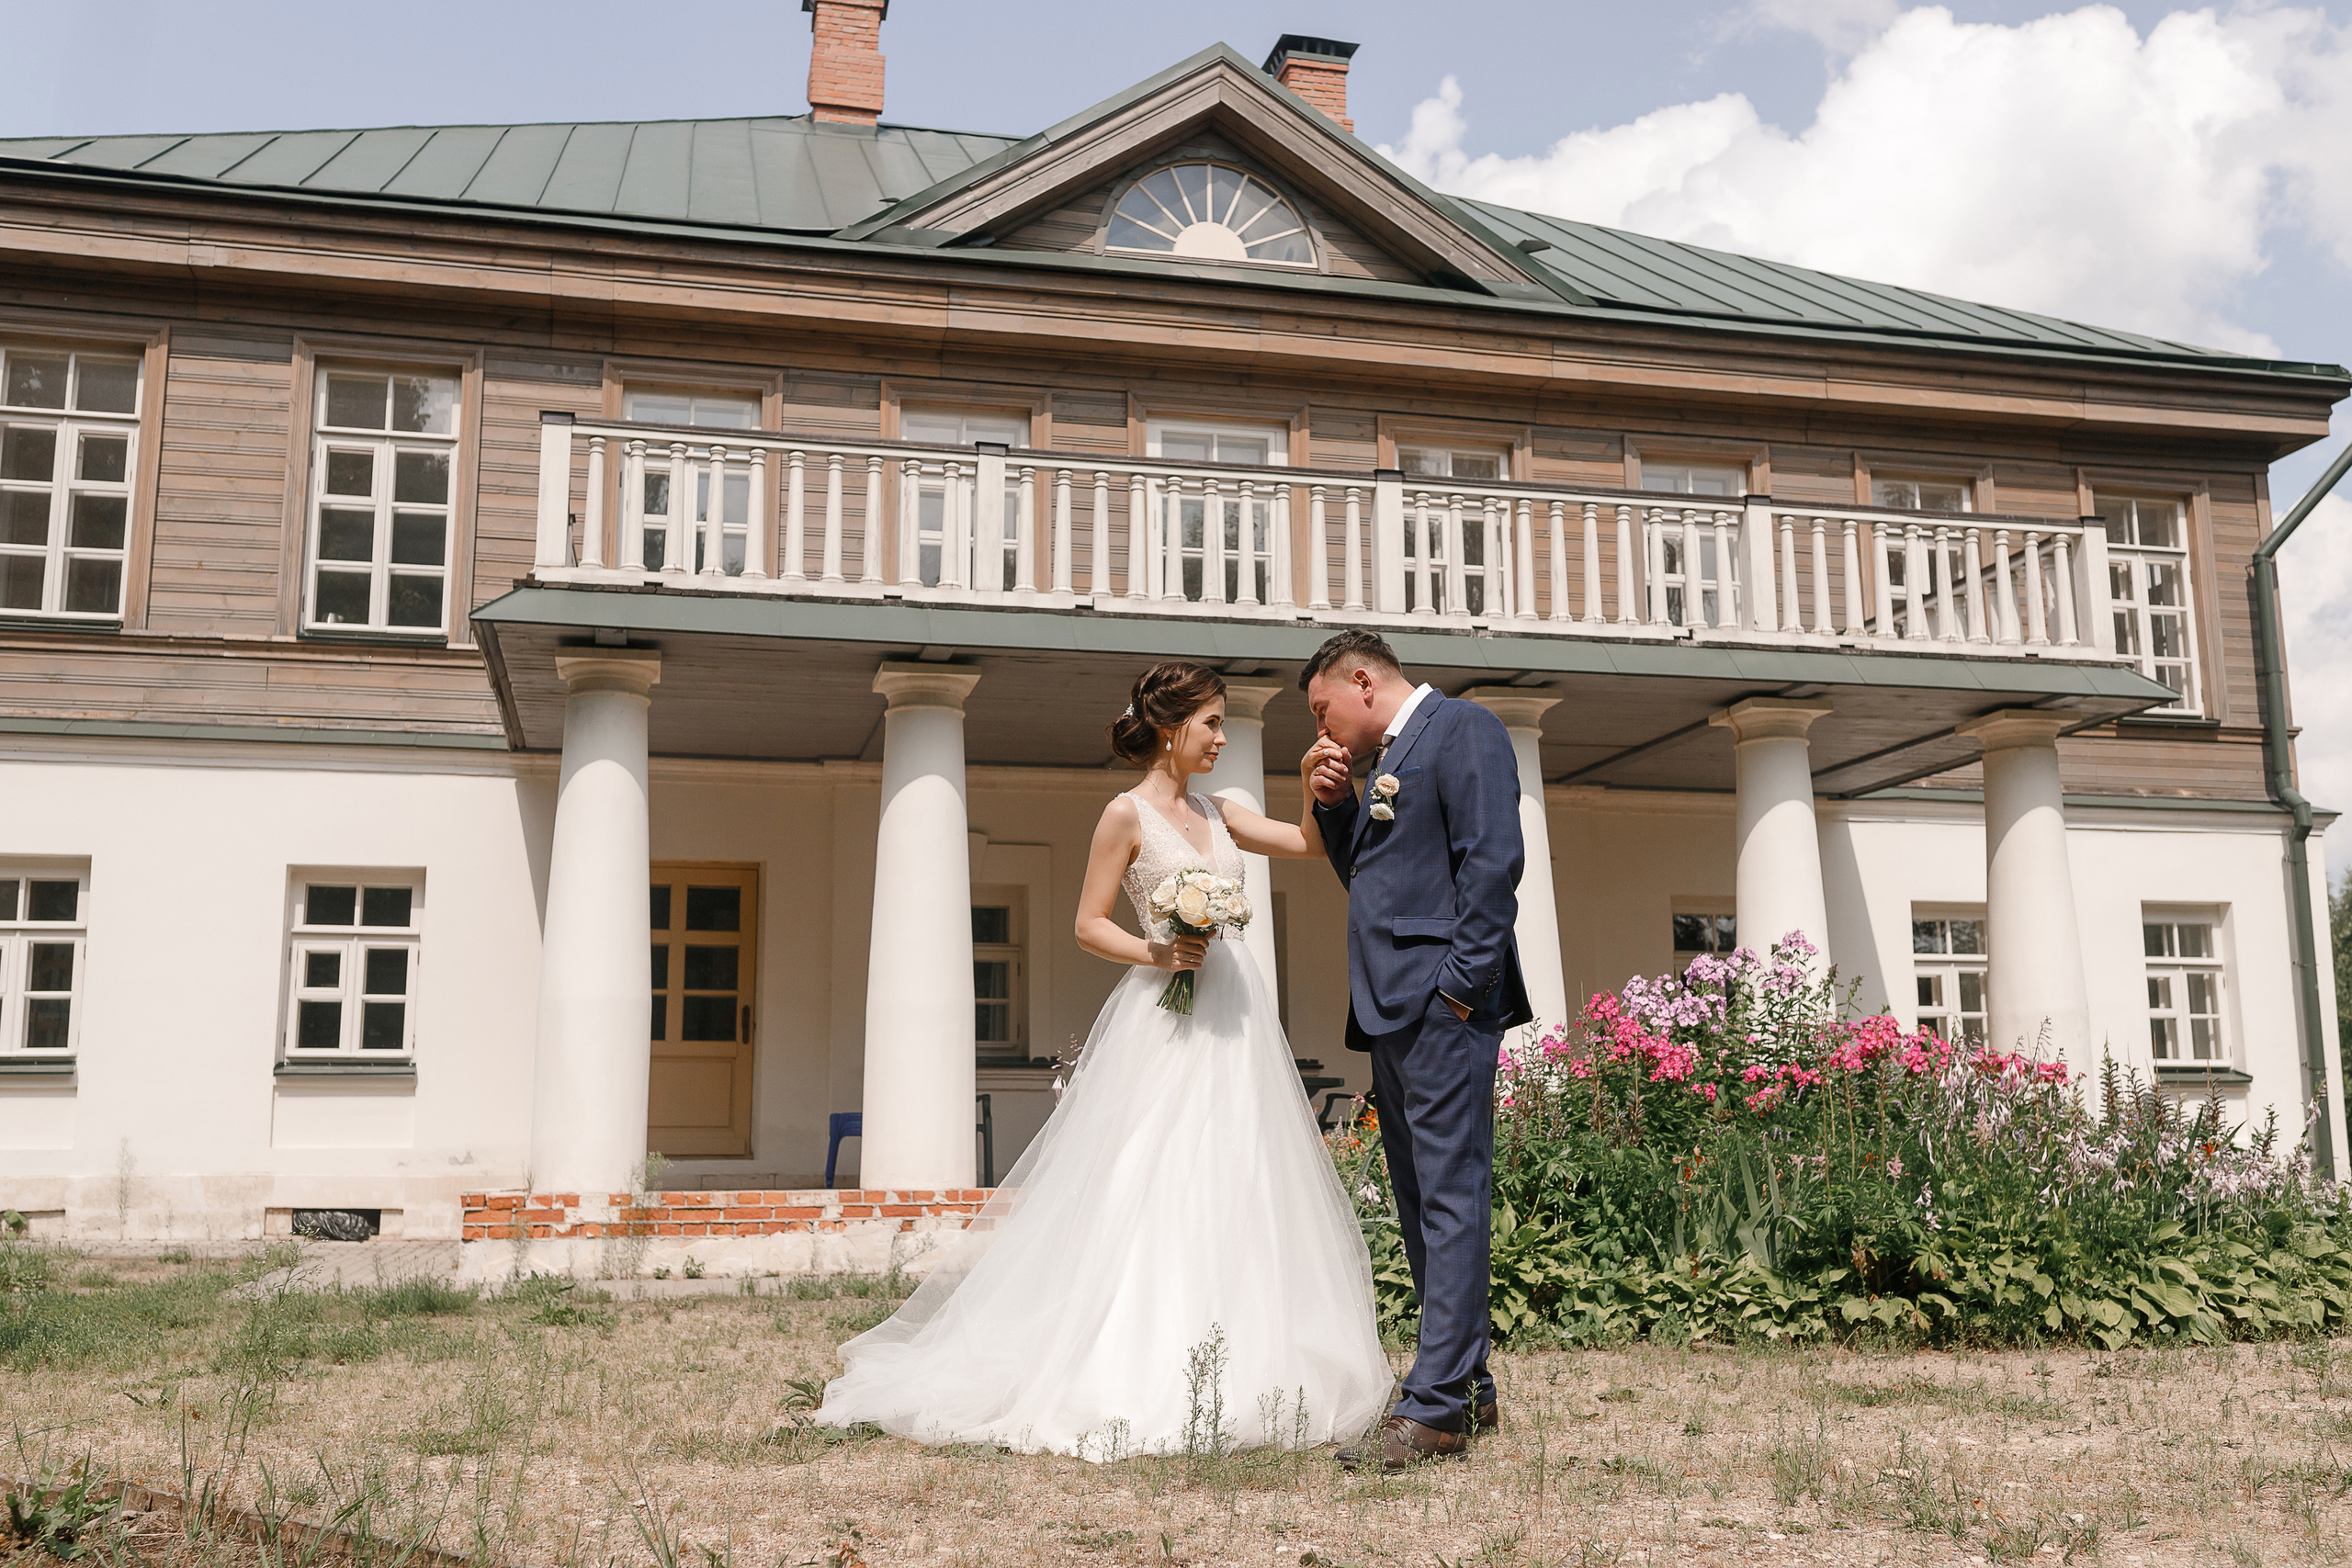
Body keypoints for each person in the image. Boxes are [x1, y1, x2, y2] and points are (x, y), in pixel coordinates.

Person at [813, 660, 1393, 1458]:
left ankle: (1249, 1359)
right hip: (1167, 1012)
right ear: (1169, 726)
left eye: (1226, 722)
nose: (1224, 736)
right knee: (1151, 1173)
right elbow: (1088, 924)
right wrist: (1161, 953)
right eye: (1213, 723)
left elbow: (1300, 842)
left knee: (1239, 1170)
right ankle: (1130, 1360)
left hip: (1236, 1014)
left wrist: (1307, 784)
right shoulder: (1123, 816)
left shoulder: (1221, 811)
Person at [1302, 629, 1532, 1473]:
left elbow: (1493, 864)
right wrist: (1334, 805)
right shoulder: (1381, 764)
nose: (1323, 732)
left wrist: (1460, 991)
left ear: (1362, 681)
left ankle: (1434, 1410)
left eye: (1325, 711)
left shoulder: (1463, 729)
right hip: (1393, 1011)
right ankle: (1466, 1386)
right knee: (1419, 1201)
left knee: (1451, 1196)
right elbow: (1369, 875)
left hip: (1442, 1009)